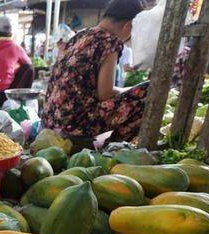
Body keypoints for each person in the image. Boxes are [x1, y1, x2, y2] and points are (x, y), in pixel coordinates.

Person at [41, 0, 147, 141]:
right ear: (129, 25)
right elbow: (105, 93)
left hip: (50, 122)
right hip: (72, 127)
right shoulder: (109, 41)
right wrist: (132, 90)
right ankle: (114, 149)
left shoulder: (81, 35)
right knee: (148, 92)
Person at [0, 16, 33, 108]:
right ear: (10, 34)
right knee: (28, 68)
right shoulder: (14, 47)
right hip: (4, 95)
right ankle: (20, 101)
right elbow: (28, 64)